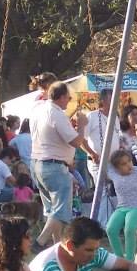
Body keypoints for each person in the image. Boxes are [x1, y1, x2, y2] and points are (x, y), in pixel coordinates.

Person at [30, 81, 89, 246]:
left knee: (51, 210)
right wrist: (82, 126)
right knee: (61, 210)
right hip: (54, 166)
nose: (69, 101)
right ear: (62, 97)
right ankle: (41, 241)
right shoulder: (56, 114)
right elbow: (76, 142)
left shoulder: (38, 109)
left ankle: (56, 246)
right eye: (68, 98)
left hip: (38, 164)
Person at [105, 149, 137, 259]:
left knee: (129, 228)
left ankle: (130, 260)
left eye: (129, 161)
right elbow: (105, 164)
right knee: (110, 229)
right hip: (122, 207)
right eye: (124, 164)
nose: (129, 165)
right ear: (117, 168)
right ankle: (119, 257)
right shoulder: (113, 173)